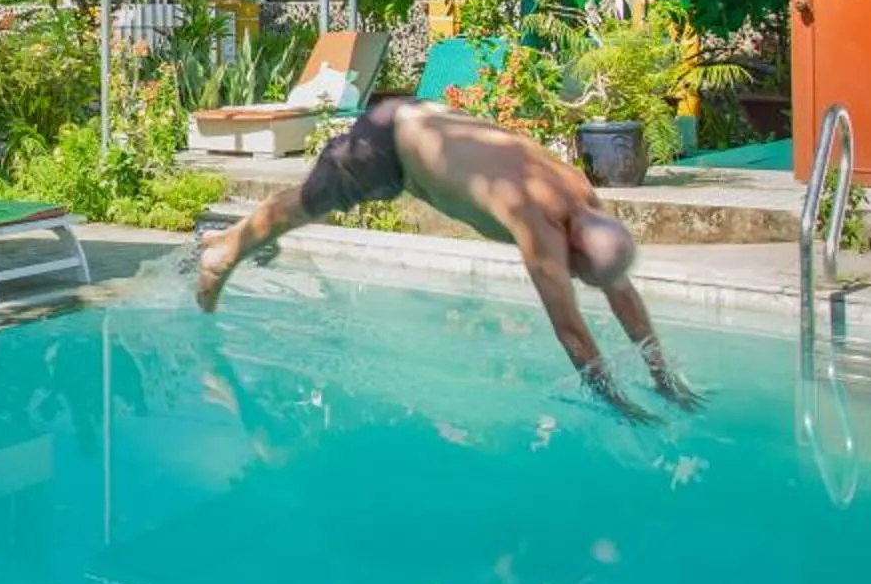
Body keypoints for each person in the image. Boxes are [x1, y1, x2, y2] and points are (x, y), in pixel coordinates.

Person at [195, 97, 698, 424]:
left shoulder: (582, 197)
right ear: (574, 250)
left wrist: (664, 379)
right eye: (578, 272)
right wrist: (616, 402)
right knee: (307, 206)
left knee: (306, 203)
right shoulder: (537, 222)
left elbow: (622, 292)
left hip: (423, 124)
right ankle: (224, 254)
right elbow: (570, 329)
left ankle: (240, 237)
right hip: (388, 143)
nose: (574, 277)